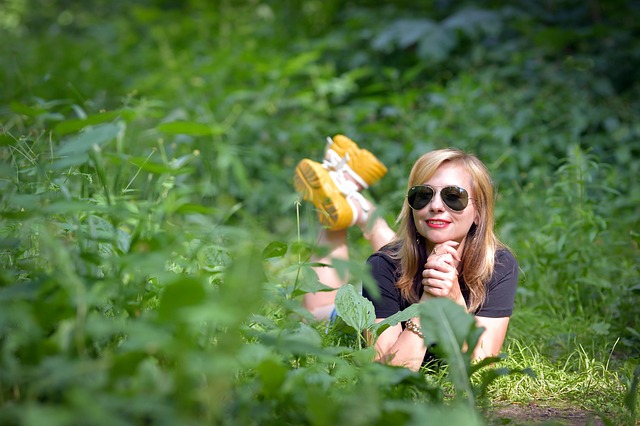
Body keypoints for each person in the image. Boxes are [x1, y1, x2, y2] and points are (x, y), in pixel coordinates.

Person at [293, 135, 518, 372]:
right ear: (412, 208)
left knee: (400, 255)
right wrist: (427, 303)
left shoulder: (497, 264)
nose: (436, 206)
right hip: (367, 308)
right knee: (313, 315)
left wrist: (453, 301)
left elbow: (482, 364)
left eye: (454, 197)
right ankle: (336, 209)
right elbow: (390, 371)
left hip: (397, 280)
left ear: (479, 212)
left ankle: (354, 203)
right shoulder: (382, 266)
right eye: (423, 195)